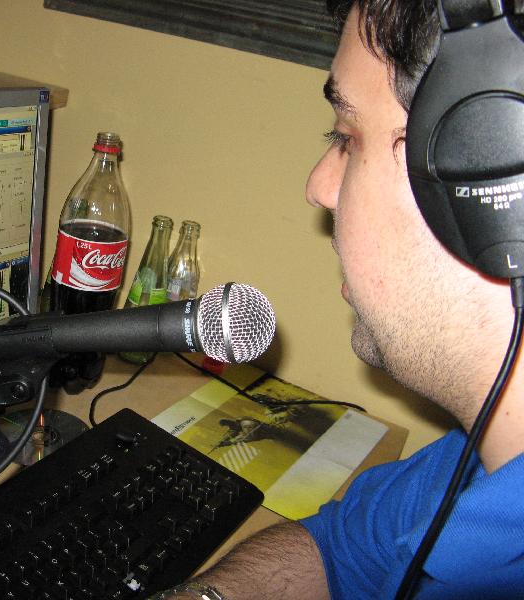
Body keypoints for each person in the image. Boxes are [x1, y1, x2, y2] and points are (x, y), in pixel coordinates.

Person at [149, 1, 524, 598]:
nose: (319, 187)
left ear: (491, 177)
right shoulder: (479, 460)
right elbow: (342, 549)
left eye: (348, 137)